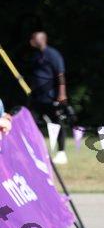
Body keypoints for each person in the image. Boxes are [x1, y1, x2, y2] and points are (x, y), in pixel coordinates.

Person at [29, 31, 68, 164]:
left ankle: (61, 153)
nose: (32, 41)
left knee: (57, 123)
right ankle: (37, 152)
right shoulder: (35, 56)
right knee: (32, 123)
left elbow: (60, 74)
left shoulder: (53, 54)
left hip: (51, 97)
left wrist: (61, 94)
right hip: (37, 98)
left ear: (42, 39)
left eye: (34, 38)